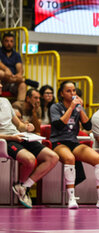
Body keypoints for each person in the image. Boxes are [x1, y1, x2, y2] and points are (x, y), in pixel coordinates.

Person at [50, 81, 99, 209]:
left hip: (74, 141)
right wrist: (71, 108)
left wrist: (80, 109)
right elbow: (59, 125)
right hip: (59, 142)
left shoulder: (77, 107)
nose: (72, 93)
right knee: (69, 158)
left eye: (74, 91)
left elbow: (88, 126)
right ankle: (71, 198)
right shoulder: (55, 107)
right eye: (68, 91)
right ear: (61, 93)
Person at [0, 80, 59, 208]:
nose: (0, 85)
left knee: (53, 157)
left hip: (18, 135)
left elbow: (18, 125)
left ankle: (23, 186)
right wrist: (11, 137)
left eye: (0, 83)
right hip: (5, 140)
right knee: (30, 160)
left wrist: (27, 127)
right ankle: (22, 186)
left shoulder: (5, 101)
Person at [0, 33, 26, 101]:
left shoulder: (16, 55)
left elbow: (20, 69)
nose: (9, 43)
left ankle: (19, 106)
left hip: (13, 82)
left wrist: (19, 74)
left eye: (11, 41)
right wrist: (6, 69)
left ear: (14, 43)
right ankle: (12, 78)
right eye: (7, 41)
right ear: (2, 42)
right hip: (1, 81)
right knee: (1, 73)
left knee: (23, 85)